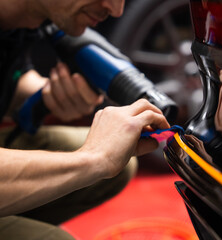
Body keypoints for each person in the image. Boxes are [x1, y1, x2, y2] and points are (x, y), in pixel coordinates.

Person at [0, 0, 170, 239]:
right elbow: (94, 160)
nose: (116, 10)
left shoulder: (24, 18)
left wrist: (42, 94)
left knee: (121, 163)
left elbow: (12, 73)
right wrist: (91, 158)